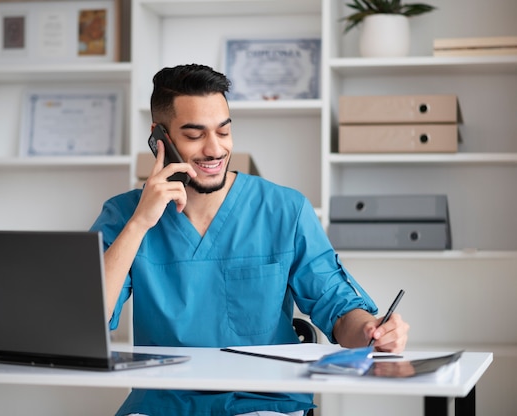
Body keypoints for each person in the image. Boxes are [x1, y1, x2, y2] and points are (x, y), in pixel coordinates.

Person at [90, 63, 410, 416]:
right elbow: (88, 323)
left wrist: (371, 333)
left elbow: (337, 308)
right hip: (162, 405)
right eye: (195, 135)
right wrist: (139, 225)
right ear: (160, 138)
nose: (215, 150)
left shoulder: (284, 210)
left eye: (224, 132)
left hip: (263, 403)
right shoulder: (124, 215)